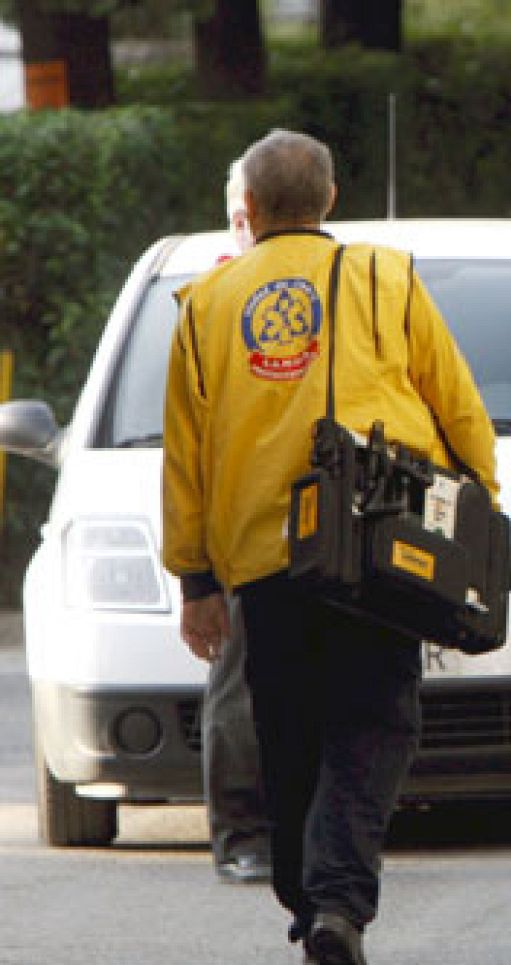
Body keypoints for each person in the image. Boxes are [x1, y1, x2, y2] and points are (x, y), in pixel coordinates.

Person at [162, 129, 500, 965]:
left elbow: (186, 459)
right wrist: (479, 509)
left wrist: (195, 581)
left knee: (288, 733)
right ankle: (338, 902)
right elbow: (456, 404)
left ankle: (308, 902)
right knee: (375, 721)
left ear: (247, 212)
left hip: (266, 564)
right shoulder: (387, 277)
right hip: (374, 546)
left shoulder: (204, 306)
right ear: (331, 200)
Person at [201, 158, 272, 885]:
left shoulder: (343, 285)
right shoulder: (213, 297)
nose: (239, 223)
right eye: (234, 210)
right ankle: (245, 832)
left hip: (341, 523)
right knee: (240, 685)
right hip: (248, 529)